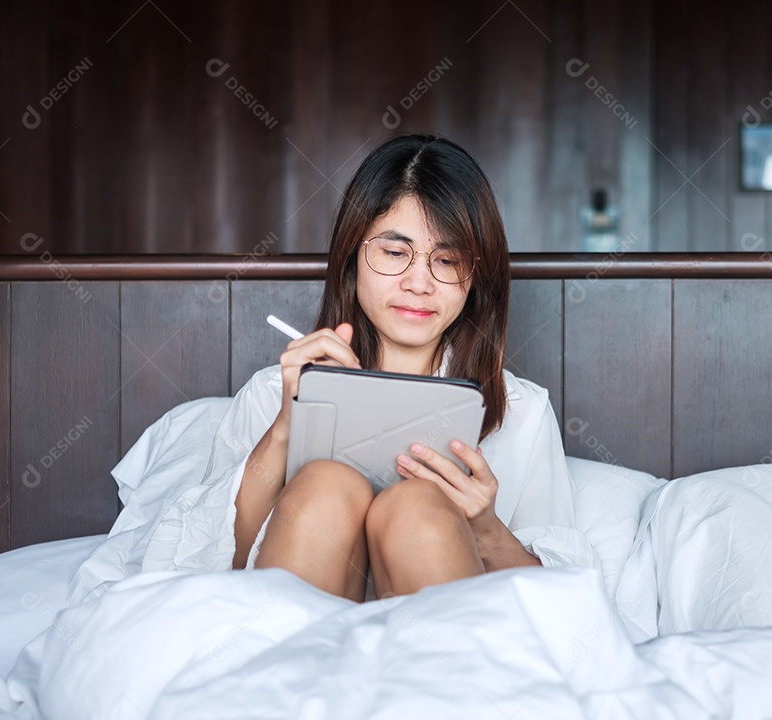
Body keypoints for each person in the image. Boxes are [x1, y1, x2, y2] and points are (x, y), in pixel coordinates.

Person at [141, 134, 600, 602]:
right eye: (395, 253)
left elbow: (563, 604)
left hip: (442, 658)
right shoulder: (275, 392)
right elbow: (211, 565)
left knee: (417, 506)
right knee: (326, 484)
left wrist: (484, 530)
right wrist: (285, 426)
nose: (419, 283)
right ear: (351, 258)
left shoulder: (522, 411)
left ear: (475, 279)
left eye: (447, 260)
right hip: (292, 647)